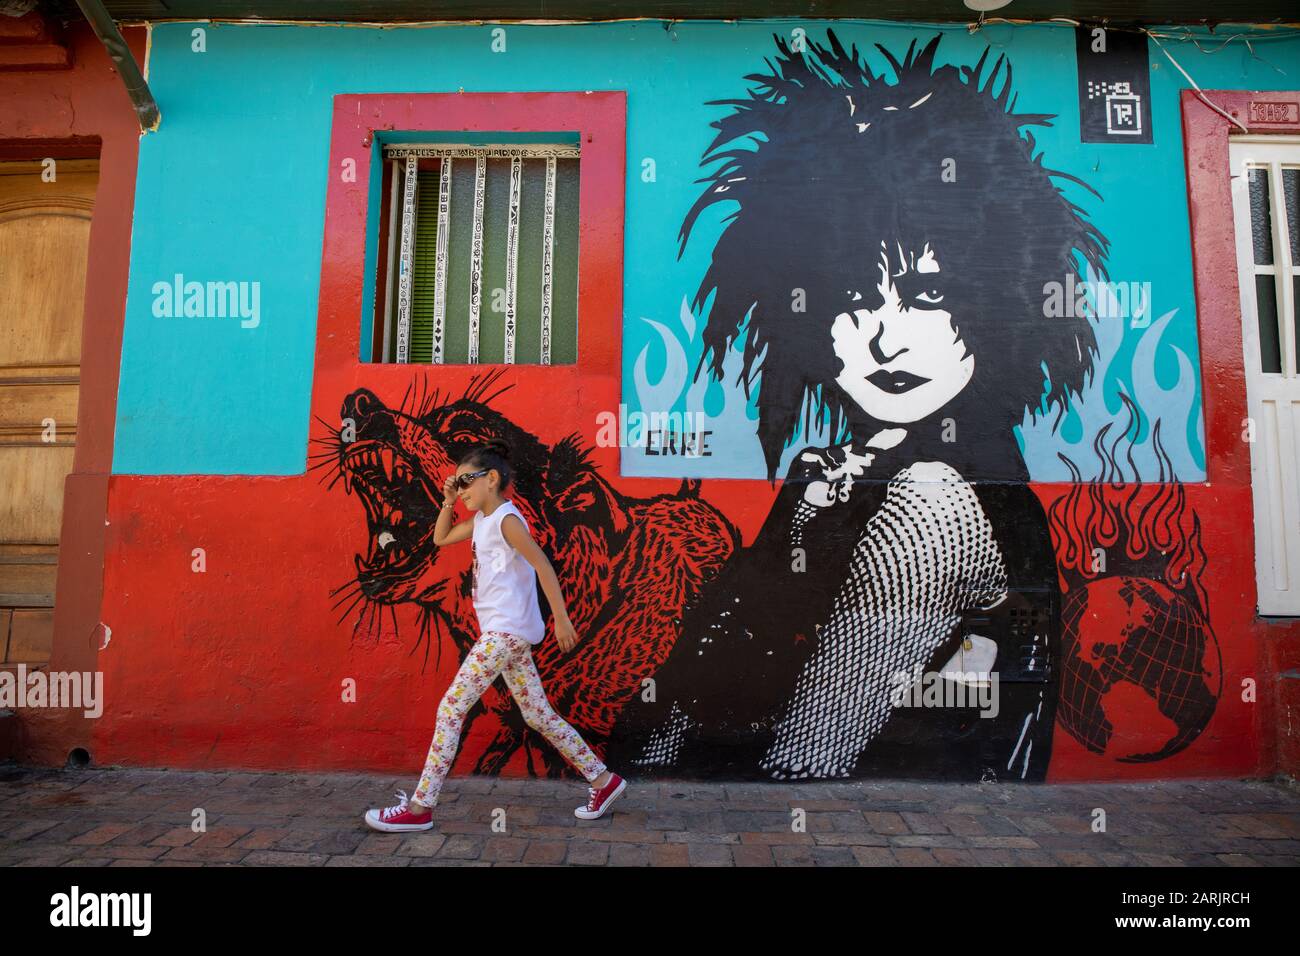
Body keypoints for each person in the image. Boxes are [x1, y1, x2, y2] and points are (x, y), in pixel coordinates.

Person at [365, 437, 626, 831]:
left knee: (451, 709)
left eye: (465, 482)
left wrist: (562, 618)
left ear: (491, 479)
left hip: (505, 632)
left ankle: (420, 809)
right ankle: (604, 781)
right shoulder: (481, 521)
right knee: (538, 715)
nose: (461, 488)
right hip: (506, 633)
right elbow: (440, 538)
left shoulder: (506, 519)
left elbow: (542, 564)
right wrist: (449, 500)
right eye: (456, 482)